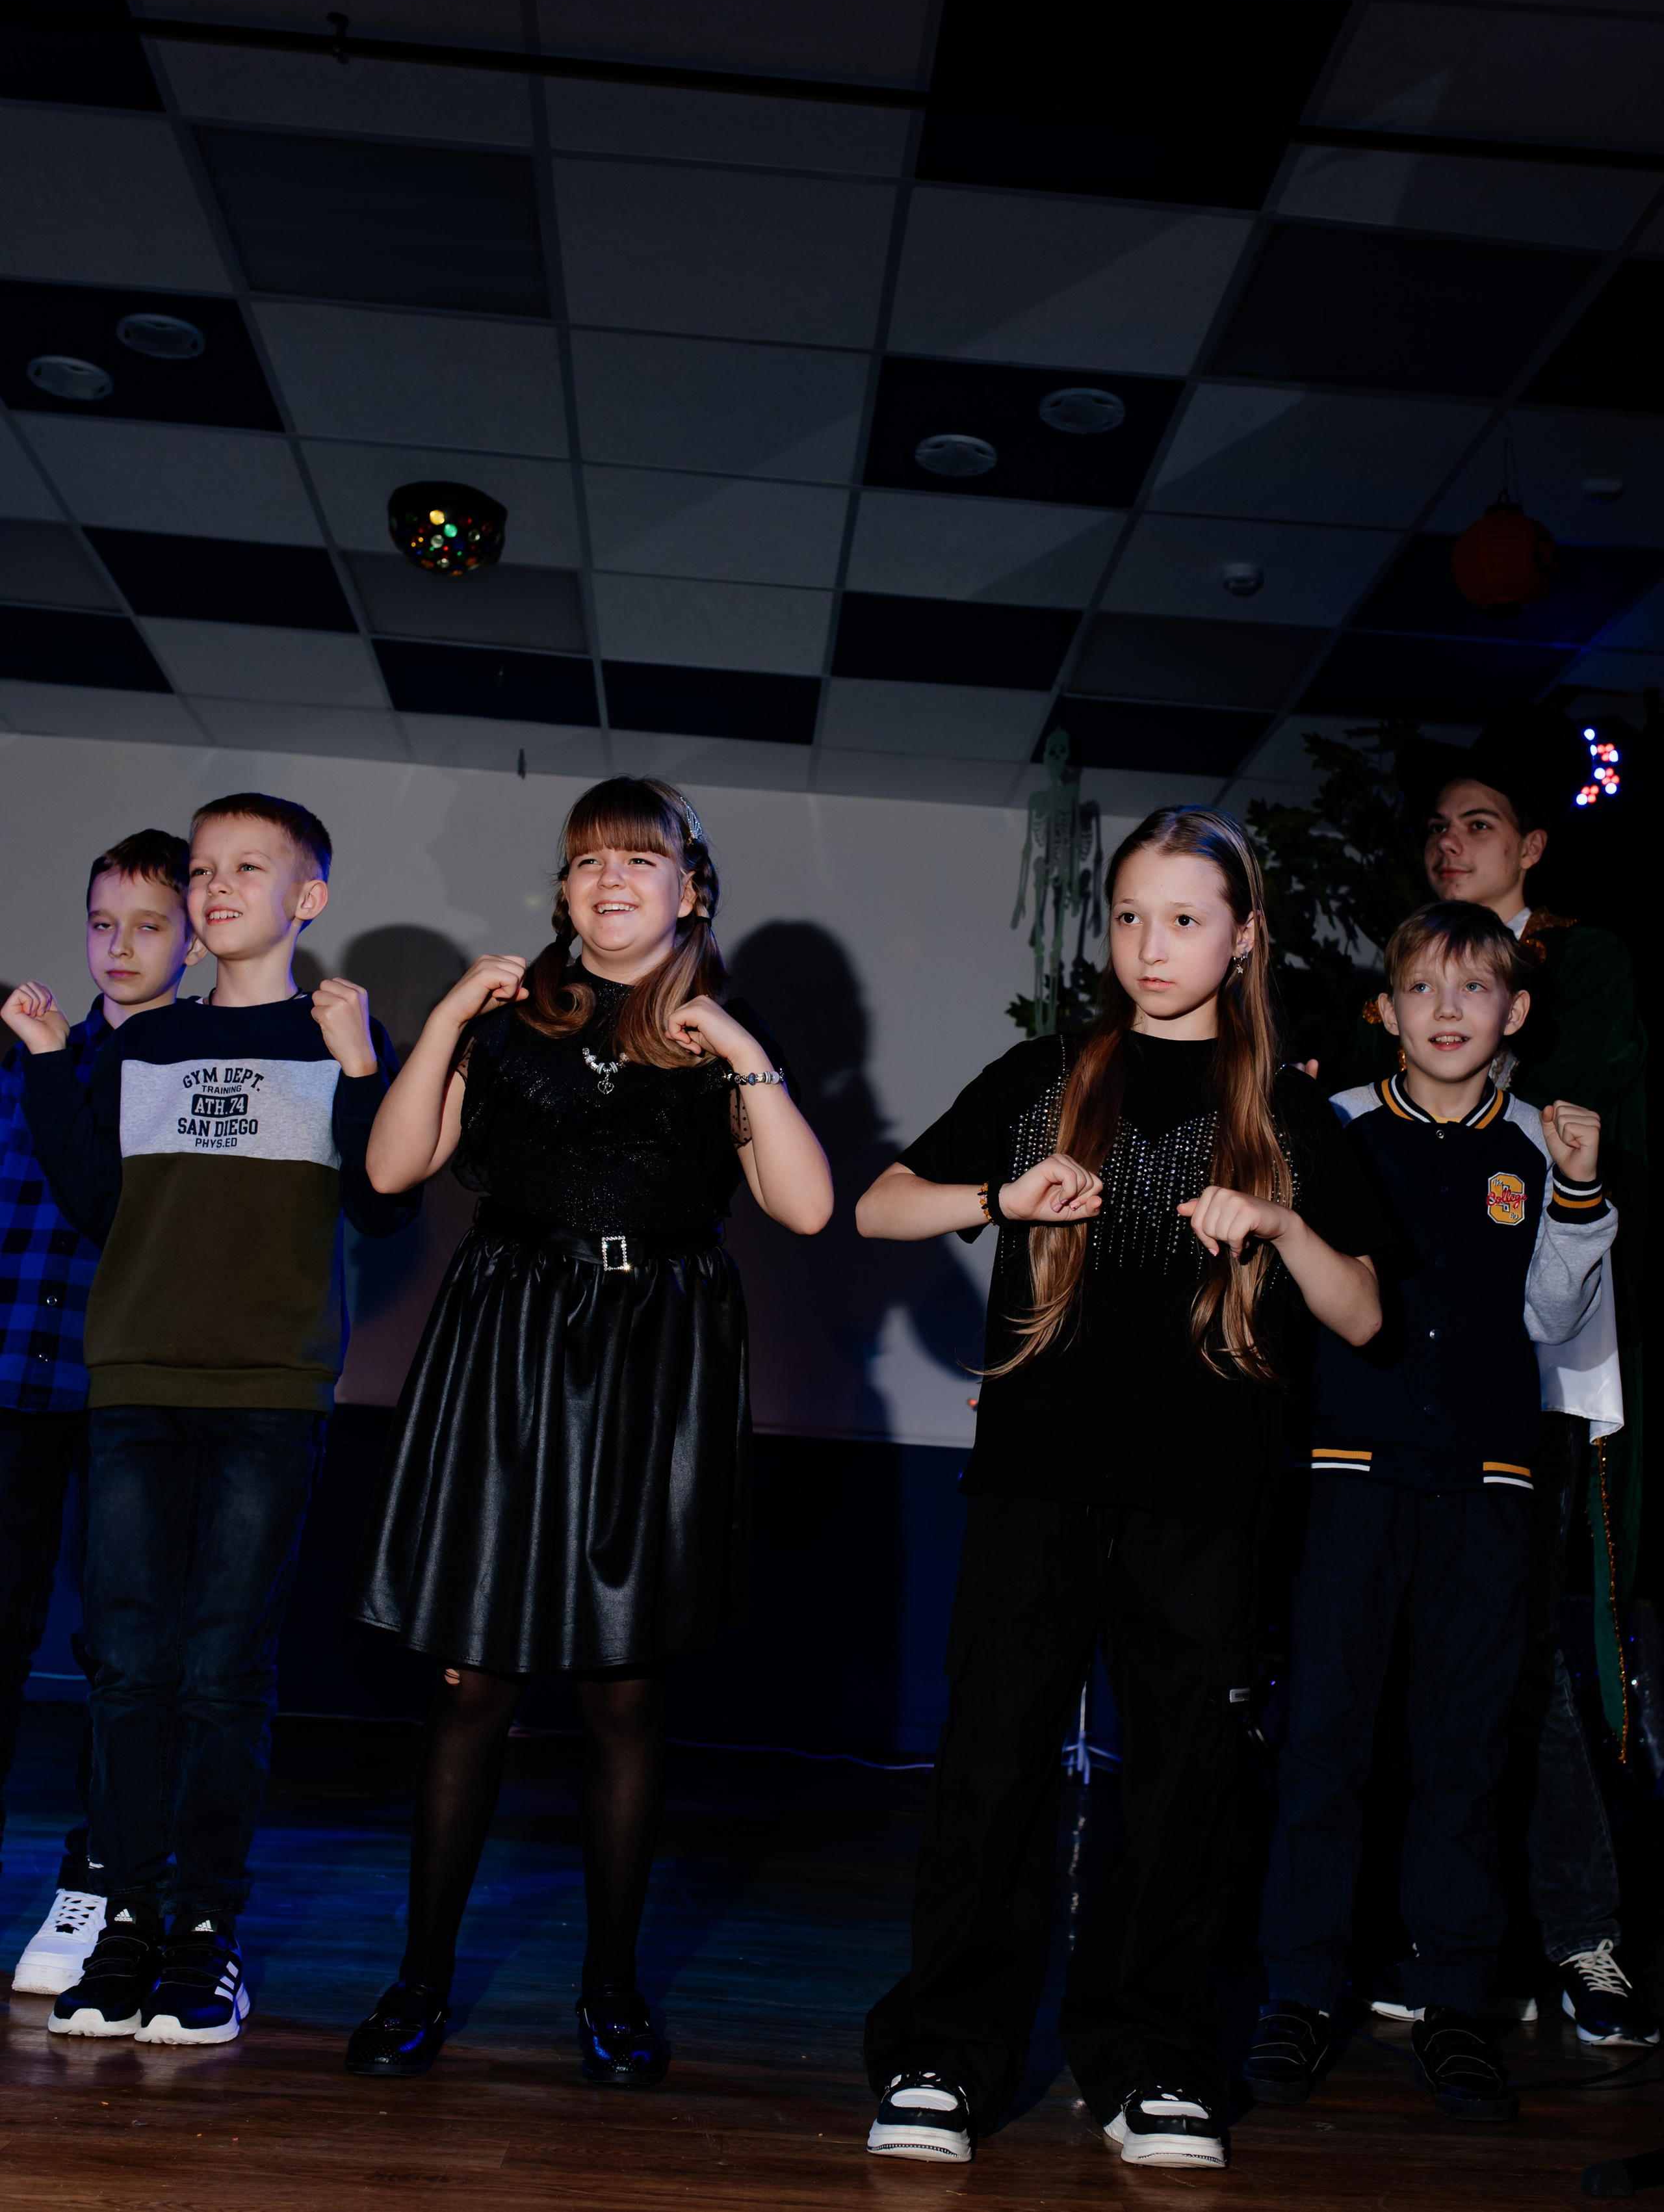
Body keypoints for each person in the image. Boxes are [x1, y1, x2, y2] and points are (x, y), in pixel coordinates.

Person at [856, 805, 1386, 2170]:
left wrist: (1280, 1222)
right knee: (991, 1768)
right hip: (1035, 1485)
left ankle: (1153, 2059)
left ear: (1243, 935)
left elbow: (1363, 1312)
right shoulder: (1047, 1072)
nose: (1151, 945)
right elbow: (879, 1205)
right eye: (1130, 915)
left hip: (1207, 1501)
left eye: (1185, 918)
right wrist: (999, 1197)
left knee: (1183, 1787)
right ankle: (944, 2051)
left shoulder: (1284, 1109)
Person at [343, 777, 832, 2087]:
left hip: (653, 1360)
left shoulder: (724, 1034)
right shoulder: (509, 1021)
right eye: (586, 861)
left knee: (626, 1695)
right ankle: (419, 1980)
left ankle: (611, 1989)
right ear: (562, 891)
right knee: (472, 1687)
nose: (609, 878)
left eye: (638, 858)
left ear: (691, 887)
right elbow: (389, 1170)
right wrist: (449, 1017)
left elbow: (802, 1206)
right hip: (507, 1345)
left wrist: (737, 1045)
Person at [5, 791, 413, 2045]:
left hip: (268, 1393)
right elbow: (94, 1201)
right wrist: (47, 1061)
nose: (217, 887)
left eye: (248, 868)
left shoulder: (337, 1031)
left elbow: (386, 1203)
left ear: (307, 898)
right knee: (129, 1665)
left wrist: (361, 1066)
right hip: (134, 1384)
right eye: (202, 869)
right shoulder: (147, 1039)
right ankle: (127, 1922)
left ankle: (204, 1934)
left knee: (224, 1669)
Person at [1251, 902, 1618, 2120]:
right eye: (1422, 988)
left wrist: (1579, 1191)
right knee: (1326, 1736)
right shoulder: (1339, 1124)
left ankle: (1455, 1999)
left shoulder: (1536, 1144)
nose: (1447, 1010)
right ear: (1386, 1009)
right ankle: (1297, 1992)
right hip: (1348, 1468)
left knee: (1464, 1748)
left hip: (1490, 1482)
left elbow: (1553, 1319)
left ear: (1515, 1012)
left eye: (1474, 989)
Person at [1351, 707, 1653, 2047]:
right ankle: (1442, 1932)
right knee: (1413, 1658)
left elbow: (1587, 1127)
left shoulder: (1581, 968)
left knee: (1535, 1657)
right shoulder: (1405, 974)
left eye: (1477, 824)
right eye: (1436, 826)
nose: (1448, 843)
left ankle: (1581, 1933)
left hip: (1542, 1371)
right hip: (1415, 1381)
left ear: (1531, 846)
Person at [1, 831, 200, 1997]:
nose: (119, 947)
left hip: (129, 1392)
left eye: (149, 925)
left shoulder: (197, 1074)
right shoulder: (29, 1055)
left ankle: (97, 1879)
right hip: (11, 1388)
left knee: (126, 1651)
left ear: (193, 940)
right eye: (101, 923)